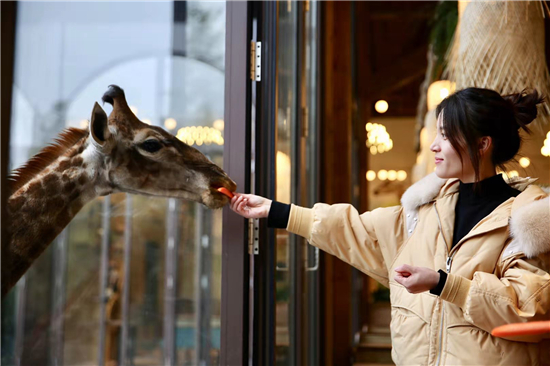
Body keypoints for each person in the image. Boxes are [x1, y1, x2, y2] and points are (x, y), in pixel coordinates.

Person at [229, 87, 550, 365]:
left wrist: (443, 283)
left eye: (446, 134)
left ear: (482, 145)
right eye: (436, 133)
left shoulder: (528, 223)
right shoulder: (425, 210)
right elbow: (354, 230)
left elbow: (528, 307)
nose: (434, 145)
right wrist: (277, 211)